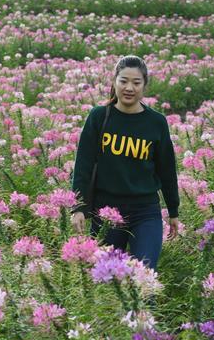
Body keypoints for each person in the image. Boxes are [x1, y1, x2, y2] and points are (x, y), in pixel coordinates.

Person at [70, 55, 179, 270]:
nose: (129, 87)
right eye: (124, 81)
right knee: (106, 278)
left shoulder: (156, 122)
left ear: (144, 86)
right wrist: (79, 207)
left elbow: (167, 170)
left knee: (145, 274)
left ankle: (144, 305)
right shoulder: (99, 117)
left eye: (136, 83)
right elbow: (82, 165)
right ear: (114, 82)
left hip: (145, 211)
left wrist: (173, 211)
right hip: (106, 211)